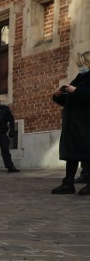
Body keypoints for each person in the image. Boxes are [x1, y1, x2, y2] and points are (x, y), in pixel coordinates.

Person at [51, 50, 90, 195]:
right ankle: (68, 183)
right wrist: (59, 96)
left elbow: (85, 96)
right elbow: (71, 100)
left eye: (83, 64)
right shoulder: (79, 78)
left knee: (87, 153)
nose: (81, 67)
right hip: (73, 124)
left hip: (85, 123)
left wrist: (76, 91)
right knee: (71, 154)